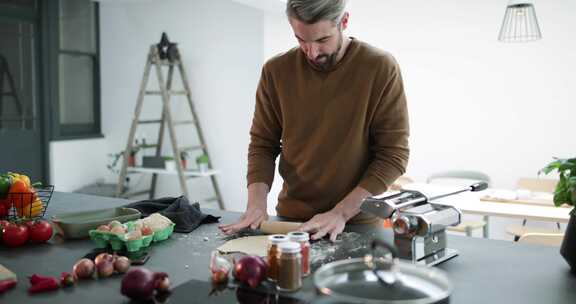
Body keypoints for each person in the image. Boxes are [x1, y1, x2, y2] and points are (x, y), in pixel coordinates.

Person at [219, 0, 409, 242]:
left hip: (355, 223)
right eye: (301, 40)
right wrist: (256, 205)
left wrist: (340, 213)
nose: (312, 52)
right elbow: (263, 145)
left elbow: (393, 156)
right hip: (291, 221)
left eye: (322, 40)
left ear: (344, 22)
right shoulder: (276, 71)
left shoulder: (379, 67)